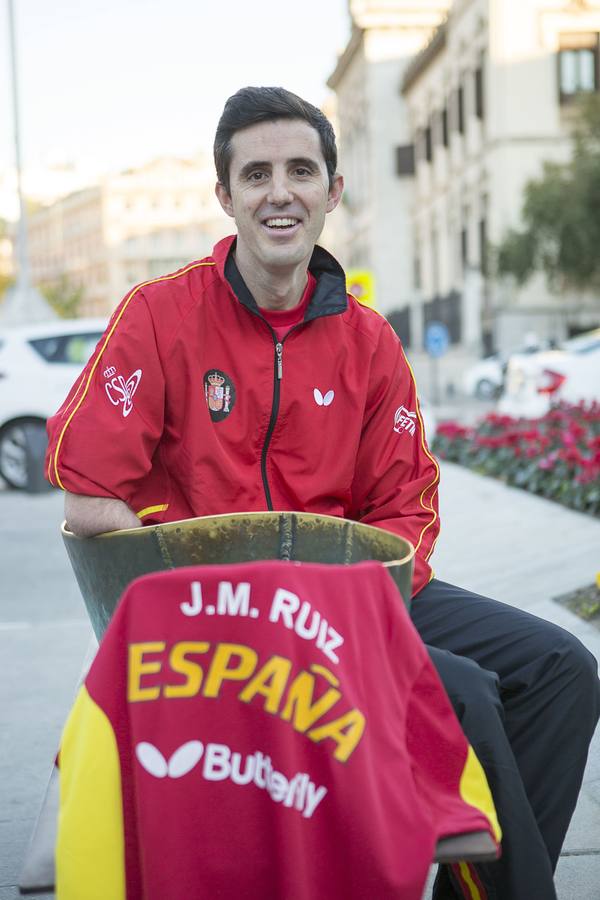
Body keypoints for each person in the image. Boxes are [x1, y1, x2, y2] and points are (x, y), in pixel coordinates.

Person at [46, 86, 599, 900]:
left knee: (562, 668)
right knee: (467, 696)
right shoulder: (158, 318)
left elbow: (406, 503)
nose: (281, 192)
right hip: (219, 618)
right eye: (257, 173)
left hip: (354, 598)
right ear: (225, 195)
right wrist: (179, 609)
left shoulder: (369, 340)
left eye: (301, 170)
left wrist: (362, 612)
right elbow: (87, 496)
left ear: (332, 193)